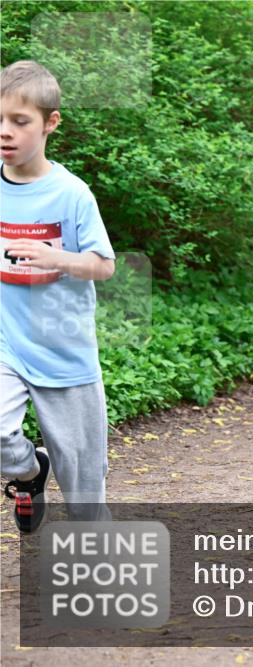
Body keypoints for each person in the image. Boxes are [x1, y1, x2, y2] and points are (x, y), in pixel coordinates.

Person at [1, 61, 116, 531]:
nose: (5, 132)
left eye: (19, 121)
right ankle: (29, 472)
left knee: (86, 499)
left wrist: (59, 260)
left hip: (65, 356)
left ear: (51, 123)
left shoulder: (72, 194)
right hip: (7, 345)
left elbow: (103, 265)